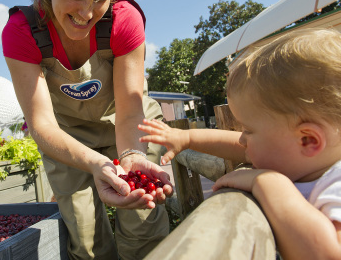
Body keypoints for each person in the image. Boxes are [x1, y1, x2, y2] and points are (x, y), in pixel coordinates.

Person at [2, 0, 173, 259]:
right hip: (67, 138)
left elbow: (129, 111)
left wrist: (131, 157)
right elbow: (42, 125)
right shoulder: (22, 31)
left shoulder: (125, 20)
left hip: (126, 127)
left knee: (143, 227)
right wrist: (96, 163)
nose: (87, 13)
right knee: (87, 241)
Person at [138, 28, 341, 260]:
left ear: (308, 140)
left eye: (248, 130)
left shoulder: (335, 183)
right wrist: (187, 138)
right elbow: (237, 145)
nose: (242, 138)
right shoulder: (295, 155)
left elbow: (328, 254)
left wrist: (268, 183)